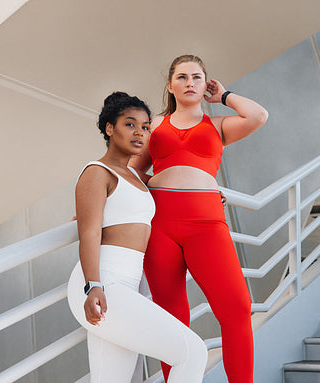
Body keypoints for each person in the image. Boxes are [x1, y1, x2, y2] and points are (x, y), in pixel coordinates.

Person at [129, 54, 268, 383]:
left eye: (196, 77)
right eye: (181, 77)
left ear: (206, 84)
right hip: (160, 223)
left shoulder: (218, 125)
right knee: (172, 316)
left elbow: (258, 115)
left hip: (207, 224)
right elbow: (133, 171)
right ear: (170, 85)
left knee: (235, 308)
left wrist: (224, 97)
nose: (189, 82)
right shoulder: (154, 126)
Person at [67, 91, 208, 383]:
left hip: (127, 285)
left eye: (145, 127)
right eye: (130, 124)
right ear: (110, 128)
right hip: (102, 281)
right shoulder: (97, 173)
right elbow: (90, 233)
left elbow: (172, 185)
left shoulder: (134, 176)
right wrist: (93, 286)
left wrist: (209, 196)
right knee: (193, 352)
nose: (139, 133)